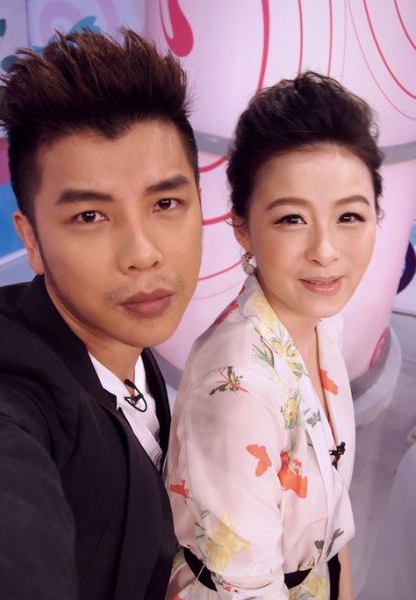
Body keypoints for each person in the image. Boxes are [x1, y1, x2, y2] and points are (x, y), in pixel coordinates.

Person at [0, 29, 202, 600]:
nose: (142, 253)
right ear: (31, 239)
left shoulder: (126, 339)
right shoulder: (8, 393)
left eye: (166, 203)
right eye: (90, 217)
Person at [166, 71, 383, 599]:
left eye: (349, 216)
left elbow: (330, 503)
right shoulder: (239, 386)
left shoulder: (319, 320)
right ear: (243, 227)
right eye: (291, 219)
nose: (325, 251)